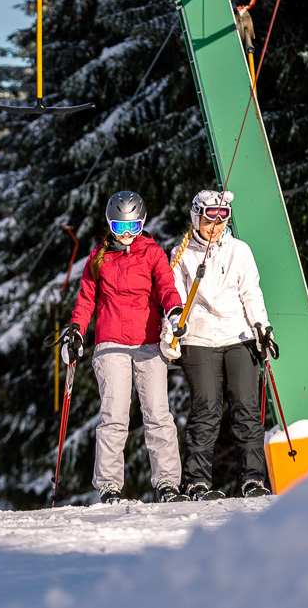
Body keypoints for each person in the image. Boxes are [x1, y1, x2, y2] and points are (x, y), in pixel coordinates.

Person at [61, 191, 189, 504]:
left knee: (158, 414)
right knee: (114, 417)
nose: (127, 234)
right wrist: (76, 330)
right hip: (111, 344)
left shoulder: (153, 253)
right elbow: (86, 298)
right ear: (110, 225)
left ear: (143, 224)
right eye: (120, 228)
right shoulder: (98, 256)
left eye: (133, 227)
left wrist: (174, 312)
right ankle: (109, 487)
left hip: (147, 344)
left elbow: (166, 288)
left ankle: (167, 483)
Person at [163, 189, 279, 500]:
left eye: (222, 218)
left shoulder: (239, 251)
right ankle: (196, 482)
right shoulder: (180, 254)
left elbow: (251, 293)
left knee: (245, 407)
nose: (214, 226)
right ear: (195, 218)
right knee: (207, 410)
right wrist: (174, 328)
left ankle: (253, 479)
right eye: (208, 219)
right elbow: (172, 298)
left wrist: (263, 329)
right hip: (199, 340)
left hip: (238, 336)